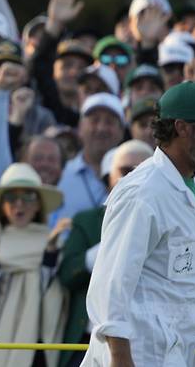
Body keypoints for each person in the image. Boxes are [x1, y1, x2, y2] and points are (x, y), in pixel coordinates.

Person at [82, 81, 195, 366]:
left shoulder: (190, 187)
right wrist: (120, 357)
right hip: (136, 356)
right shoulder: (144, 191)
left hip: (169, 354)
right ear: (183, 128)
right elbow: (110, 283)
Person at [58, 140, 153, 367]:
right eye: (125, 171)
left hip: (147, 343)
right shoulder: (86, 220)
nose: (133, 177)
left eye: (142, 170)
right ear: (108, 178)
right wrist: (106, 253)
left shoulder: (168, 220)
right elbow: (67, 274)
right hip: (89, 341)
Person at [0, 162, 67, 367]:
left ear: (38, 204)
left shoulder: (51, 241)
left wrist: (49, 252)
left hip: (29, 344)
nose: (19, 204)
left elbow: (48, 292)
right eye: (11, 197)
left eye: (28, 197)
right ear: (2, 204)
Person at [57, 92, 125, 219]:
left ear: (121, 132)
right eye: (94, 120)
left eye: (109, 122)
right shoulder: (61, 174)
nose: (101, 128)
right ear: (80, 128)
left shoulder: (132, 175)